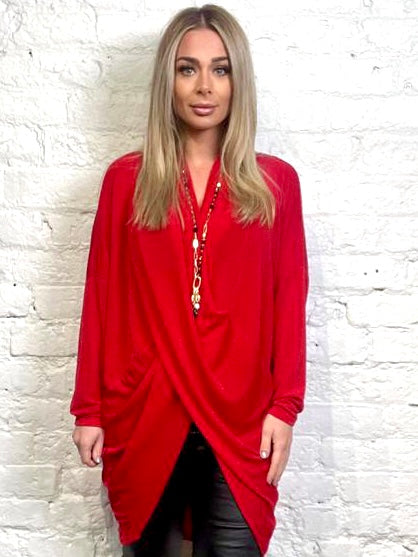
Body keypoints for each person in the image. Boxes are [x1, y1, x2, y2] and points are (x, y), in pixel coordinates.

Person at [70, 4, 309, 556]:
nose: (205, 86)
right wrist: (89, 409)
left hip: (243, 418)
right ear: (168, 81)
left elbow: (288, 300)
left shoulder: (276, 184)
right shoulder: (126, 181)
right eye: (188, 69)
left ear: (238, 81)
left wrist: (284, 406)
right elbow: (101, 297)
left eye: (221, 69)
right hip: (145, 410)